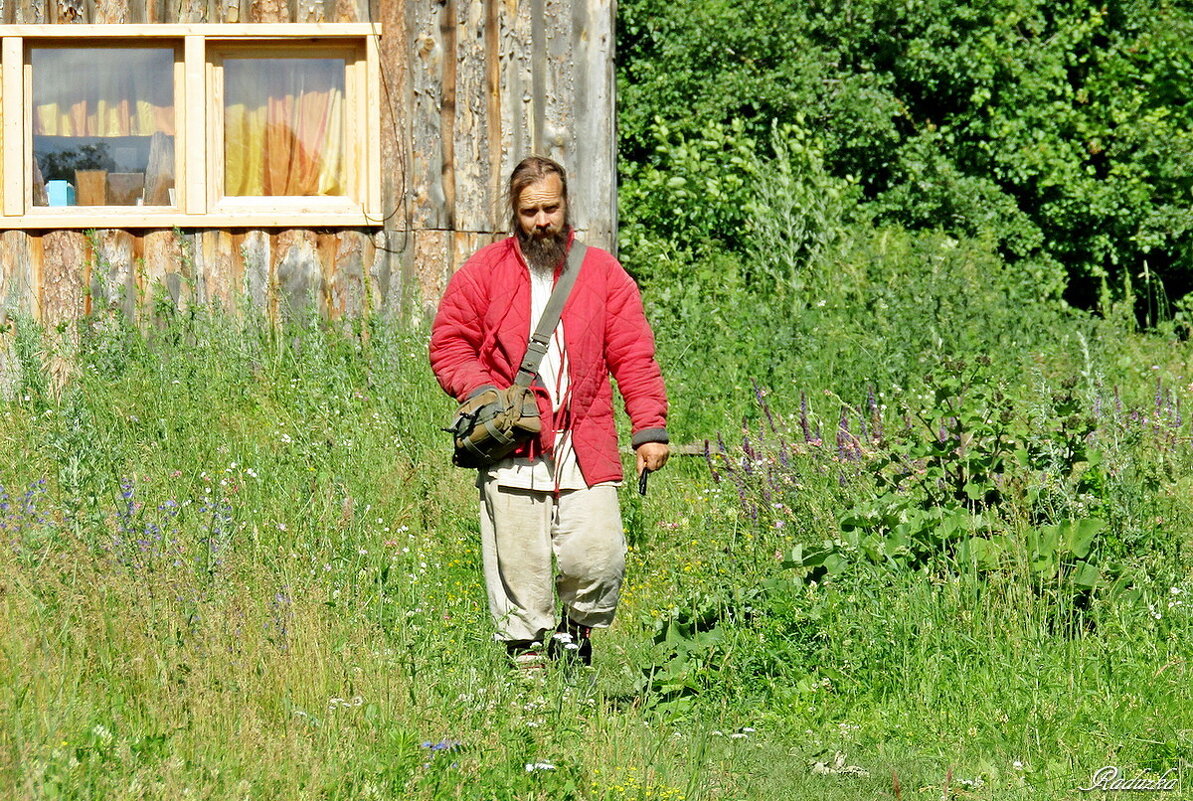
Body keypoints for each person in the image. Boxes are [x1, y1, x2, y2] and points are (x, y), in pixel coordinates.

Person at [429, 156, 670, 668]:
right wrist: (484, 395)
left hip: (585, 438)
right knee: (520, 566)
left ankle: (573, 634)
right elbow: (450, 344)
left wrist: (649, 427)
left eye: (551, 208)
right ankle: (529, 672)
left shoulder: (603, 273)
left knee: (599, 556)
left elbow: (633, 354)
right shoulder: (483, 272)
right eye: (530, 210)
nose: (542, 221)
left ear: (567, 206)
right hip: (513, 440)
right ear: (514, 213)